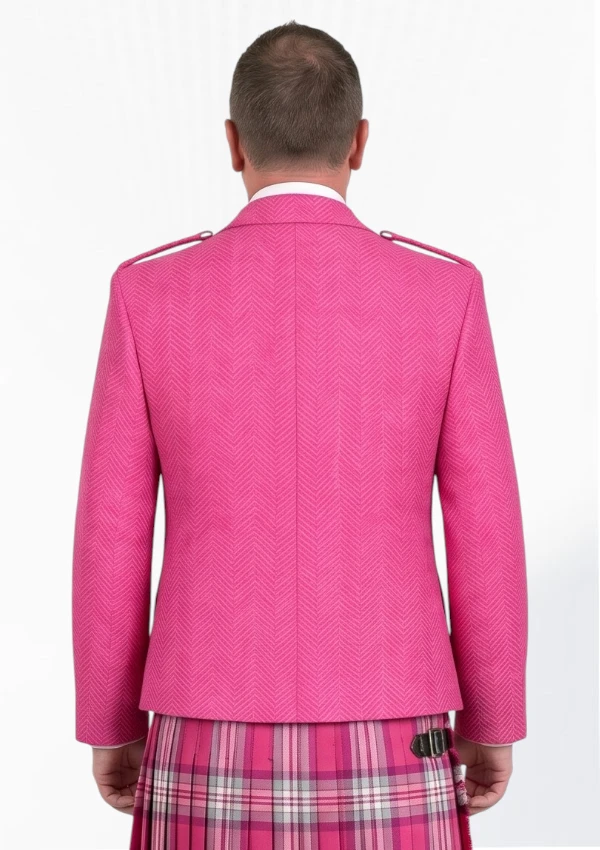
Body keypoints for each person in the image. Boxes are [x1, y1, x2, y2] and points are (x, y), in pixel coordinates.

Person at [72, 20, 528, 850]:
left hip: (201, 724)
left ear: (233, 143)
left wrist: (110, 723)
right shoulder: (443, 295)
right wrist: (493, 719)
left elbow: (112, 533)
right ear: (359, 142)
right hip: (399, 724)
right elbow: (486, 531)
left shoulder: (149, 295)